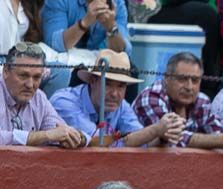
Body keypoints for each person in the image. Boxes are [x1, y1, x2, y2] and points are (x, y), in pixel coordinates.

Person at [51, 51, 182, 147]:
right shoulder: (64, 101)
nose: (114, 94)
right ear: (92, 80)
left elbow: (140, 140)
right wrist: (156, 130)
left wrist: (164, 136)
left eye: (121, 86)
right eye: (107, 84)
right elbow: (96, 142)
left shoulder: (122, 106)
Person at [133, 52, 223, 150]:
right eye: (182, 79)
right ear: (166, 78)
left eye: (195, 80)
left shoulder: (201, 101)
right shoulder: (151, 97)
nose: (189, 87)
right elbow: (175, 141)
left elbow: (217, 134)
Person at [0, 42, 84, 148]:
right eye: (23, 76)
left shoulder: (39, 98)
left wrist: (73, 137)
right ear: (6, 71)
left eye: (36, 77)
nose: (30, 85)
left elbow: (58, 129)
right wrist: (45, 136)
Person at [42, 0, 128, 54]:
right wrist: (84, 23)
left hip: (97, 63)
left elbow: (123, 52)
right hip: (66, 64)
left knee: (130, 71)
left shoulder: (117, 3)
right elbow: (54, 44)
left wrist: (111, 27)